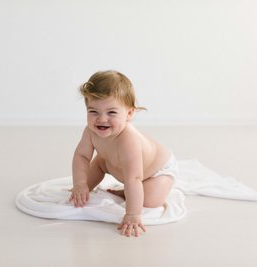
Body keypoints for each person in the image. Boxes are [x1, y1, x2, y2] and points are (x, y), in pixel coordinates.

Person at [69, 70, 177, 237]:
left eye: (111, 112)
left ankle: (130, 192)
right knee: (98, 163)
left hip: (155, 172)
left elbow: (134, 178)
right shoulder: (90, 132)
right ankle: (84, 191)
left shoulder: (128, 140)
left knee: (149, 201)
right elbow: (81, 157)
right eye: (93, 112)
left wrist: (132, 214)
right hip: (114, 163)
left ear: (129, 113)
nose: (101, 119)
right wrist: (80, 184)